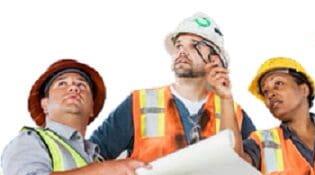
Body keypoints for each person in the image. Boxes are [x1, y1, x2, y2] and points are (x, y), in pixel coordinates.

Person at [91, 13, 255, 164]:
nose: (182, 52)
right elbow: (93, 157)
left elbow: (249, 170)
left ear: (215, 60)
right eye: (178, 46)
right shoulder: (139, 104)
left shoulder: (235, 114)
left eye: (194, 45)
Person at [1, 59, 146, 175]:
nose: (74, 87)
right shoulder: (30, 141)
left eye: (82, 85)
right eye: (62, 84)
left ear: (92, 108)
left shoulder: (96, 157)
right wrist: (102, 170)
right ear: (45, 105)